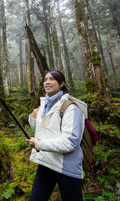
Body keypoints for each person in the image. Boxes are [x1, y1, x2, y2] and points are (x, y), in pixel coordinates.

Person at [26, 70, 87, 201]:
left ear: (62, 83)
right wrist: (32, 119)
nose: (47, 82)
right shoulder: (44, 105)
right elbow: (45, 132)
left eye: (52, 79)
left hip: (67, 167)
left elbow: (70, 142)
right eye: (45, 79)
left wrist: (38, 144)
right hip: (46, 162)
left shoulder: (71, 108)